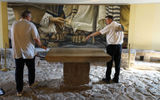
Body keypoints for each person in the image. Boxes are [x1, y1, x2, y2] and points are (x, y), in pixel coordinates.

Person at [11, 10, 46, 96]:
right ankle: (31, 83)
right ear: (27, 17)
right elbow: (36, 39)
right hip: (28, 52)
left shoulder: (14, 24)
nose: (31, 19)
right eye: (30, 17)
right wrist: (42, 46)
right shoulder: (31, 25)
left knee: (19, 72)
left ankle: (19, 91)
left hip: (18, 52)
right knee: (31, 69)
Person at [85, 15, 124, 83]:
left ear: (110, 20)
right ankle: (116, 79)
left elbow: (99, 32)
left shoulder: (110, 26)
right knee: (118, 63)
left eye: (106, 20)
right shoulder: (119, 25)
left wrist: (90, 35)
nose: (106, 22)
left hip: (111, 47)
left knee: (109, 63)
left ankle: (107, 79)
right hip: (119, 46)